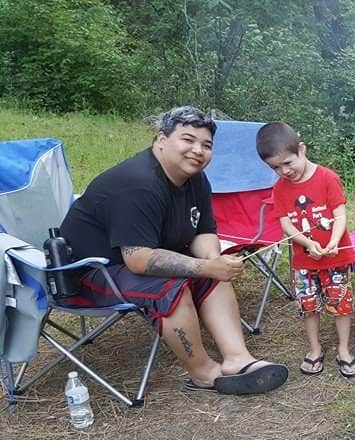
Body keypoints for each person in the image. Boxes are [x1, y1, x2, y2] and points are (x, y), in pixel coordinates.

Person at [59, 106, 288, 394]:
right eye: (188, 140)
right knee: (171, 288)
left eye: (206, 145)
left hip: (138, 260)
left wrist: (213, 260)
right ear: (161, 140)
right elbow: (138, 259)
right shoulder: (138, 184)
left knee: (214, 272)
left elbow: (204, 231)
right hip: (90, 272)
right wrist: (204, 267)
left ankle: (238, 359)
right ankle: (203, 373)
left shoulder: (196, 179)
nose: (198, 151)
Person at [255, 122, 355, 378]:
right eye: (275, 168)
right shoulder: (280, 188)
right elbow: (286, 223)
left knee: (341, 305)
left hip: (336, 257)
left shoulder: (327, 178)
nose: (284, 171)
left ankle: (344, 349)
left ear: (301, 149)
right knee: (308, 306)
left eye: (288, 163)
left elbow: (339, 215)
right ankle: (314, 349)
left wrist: (333, 242)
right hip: (304, 262)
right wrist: (308, 243)